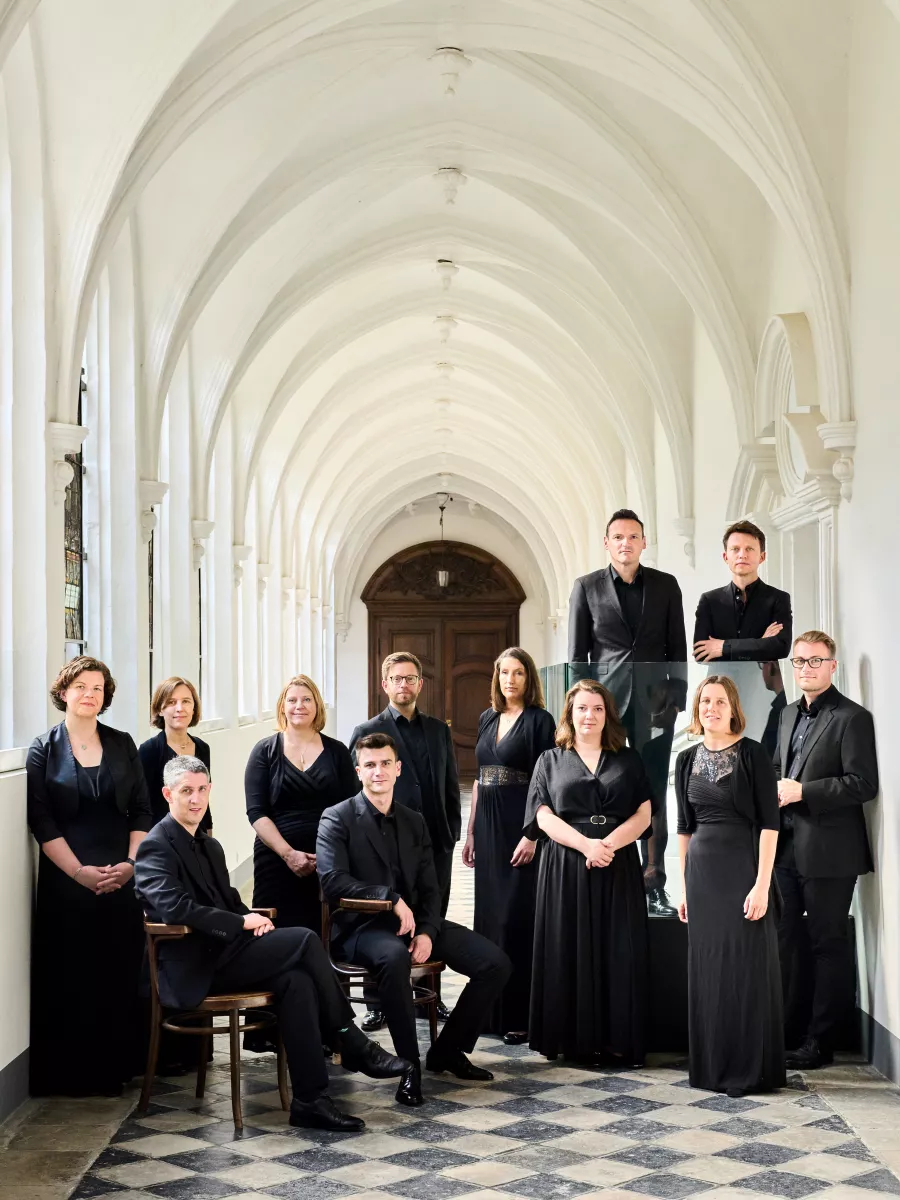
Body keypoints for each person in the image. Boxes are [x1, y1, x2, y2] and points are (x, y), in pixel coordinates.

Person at [134, 755, 409, 1131]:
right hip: (194, 968)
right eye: (186, 792)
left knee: (296, 982)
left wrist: (251, 919)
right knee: (305, 939)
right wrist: (239, 922)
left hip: (225, 955)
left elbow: (230, 902)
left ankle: (310, 1101)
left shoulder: (209, 846)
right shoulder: (155, 846)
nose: (195, 799)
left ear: (210, 790)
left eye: (201, 790)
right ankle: (350, 1039)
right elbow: (174, 907)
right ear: (168, 794)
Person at [317, 734, 511, 1108]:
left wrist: (427, 931)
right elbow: (332, 881)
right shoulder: (336, 817)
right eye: (370, 765)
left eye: (385, 763)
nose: (378, 772)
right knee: (394, 958)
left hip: (415, 925)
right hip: (361, 928)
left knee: (495, 963)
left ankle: (448, 1051)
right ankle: (409, 1068)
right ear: (358, 771)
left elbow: (431, 888)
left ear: (397, 769)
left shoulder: (414, 821)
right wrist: (388, 900)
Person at [26, 656, 152, 1096]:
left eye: (97, 688)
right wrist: (78, 872)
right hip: (68, 878)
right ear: (64, 692)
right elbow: (41, 820)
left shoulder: (122, 743)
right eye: (81, 686)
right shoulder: (44, 747)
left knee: (116, 969)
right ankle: (71, 1074)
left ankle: (115, 1068)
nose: (89, 694)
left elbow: (141, 809)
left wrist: (131, 865)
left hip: (120, 874)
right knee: (72, 974)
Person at [525, 680, 652, 1066]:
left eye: (597, 708)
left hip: (618, 864)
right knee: (569, 946)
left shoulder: (628, 759)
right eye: (582, 708)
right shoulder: (549, 759)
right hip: (566, 864)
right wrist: (587, 846)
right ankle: (572, 1040)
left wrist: (608, 845)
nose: (589, 716)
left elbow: (644, 814)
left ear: (607, 714)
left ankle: (617, 1040)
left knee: (619, 950)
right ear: (570, 714)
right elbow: (542, 816)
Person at [567, 508, 687, 916]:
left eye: (633, 537)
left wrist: (677, 700)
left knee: (653, 791)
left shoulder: (667, 586)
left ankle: (654, 882)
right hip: (606, 707)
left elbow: (678, 648)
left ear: (643, 542)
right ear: (607, 543)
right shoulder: (586, 587)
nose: (625, 543)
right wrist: (578, 711)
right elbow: (578, 657)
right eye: (618, 537)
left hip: (657, 706)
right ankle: (616, 878)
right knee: (612, 787)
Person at [773, 632, 879, 1069]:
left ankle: (821, 1042)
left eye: (815, 661)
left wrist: (803, 792)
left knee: (826, 945)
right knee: (784, 943)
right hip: (784, 849)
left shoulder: (852, 717)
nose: (805, 669)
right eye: (799, 662)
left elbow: (862, 784)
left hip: (830, 853)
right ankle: (786, 1032)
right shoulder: (784, 715)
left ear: (832, 666)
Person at [676, 676, 784, 1096]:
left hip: (743, 869)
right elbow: (684, 829)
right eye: (705, 701)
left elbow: (770, 825)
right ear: (697, 708)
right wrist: (684, 888)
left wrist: (762, 885)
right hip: (702, 876)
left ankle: (749, 1069)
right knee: (708, 969)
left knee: (745, 968)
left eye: (720, 701)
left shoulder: (754, 754)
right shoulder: (686, 759)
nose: (711, 708)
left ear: (733, 707)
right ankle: (711, 1067)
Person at [349, 652, 461, 1028]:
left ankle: (428, 995)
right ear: (385, 684)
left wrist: (453, 831)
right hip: (384, 841)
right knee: (381, 918)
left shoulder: (438, 729)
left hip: (435, 841)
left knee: (433, 916)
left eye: (410, 678)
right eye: (397, 679)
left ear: (419, 685)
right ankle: (377, 1002)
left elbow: (449, 784)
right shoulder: (367, 730)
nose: (404, 685)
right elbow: (359, 795)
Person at [462, 647, 556, 1043]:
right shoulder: (487, 718)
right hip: (487, 826)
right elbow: (482, 779)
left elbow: (547, 783)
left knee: (515, 919)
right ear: (496, 678)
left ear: (528, 678)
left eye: (518, 673)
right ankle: (489, 1012)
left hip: (521, 825)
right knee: (488, 919)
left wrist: (532, 835)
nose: (510, 680)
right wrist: (470, 833)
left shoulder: (540, 721)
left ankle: (521, 1013)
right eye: (504, 673)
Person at [245, 675, 358, 932]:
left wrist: (331, 854)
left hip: (327, 858)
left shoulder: (338, 751)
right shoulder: (264, 751)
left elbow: (351, 808)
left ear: (317, 705)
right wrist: (288, 854)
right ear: (282, 706)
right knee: (275, 932)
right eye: (292, 699)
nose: (300, 705)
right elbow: (256, 812)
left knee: (325, 931)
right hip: (275, 858)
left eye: (307, 699)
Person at [693, 521, 792, 663]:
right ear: (725, 557)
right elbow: (701, 653)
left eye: (749, 549)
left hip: (763, 684)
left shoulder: (778, 598)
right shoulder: (709, 600)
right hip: (719, 683)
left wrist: (724, 647)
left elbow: (780, 647)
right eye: (735, 549)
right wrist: (760, 643)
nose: (742, 555)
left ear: (762, 557)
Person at [140, 677, 212, 831]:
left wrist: (208, 841)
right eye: (171, 702)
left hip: (197, 835)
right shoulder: (149, 750)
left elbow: (203, 798)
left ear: (194, 707)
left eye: (186, 701)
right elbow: (143, 806)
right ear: (160, 709)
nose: (180, 708)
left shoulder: (202, 748)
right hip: (162, 839)